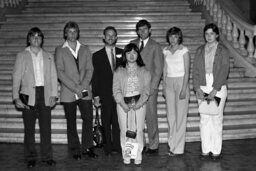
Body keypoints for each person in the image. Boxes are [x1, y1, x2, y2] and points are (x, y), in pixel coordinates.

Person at [12, 27, 57, 168]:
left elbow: (53, 76)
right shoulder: (21, 55)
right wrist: (15, 97)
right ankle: (30, 157)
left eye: (39, 36)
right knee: (29, 128)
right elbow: (16, 76)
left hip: (45, 93)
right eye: (33, 36)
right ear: (29, 39)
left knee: (46, 128)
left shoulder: (49, 56)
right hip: (27, 95)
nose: (36, 39)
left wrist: (54, 94)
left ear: (42, 39)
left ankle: (47, 156)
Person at [55, 21, 97, 160]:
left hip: (84, 91)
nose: (72, 34)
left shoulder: (85, 49)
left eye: (75, 31)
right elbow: (60, 72)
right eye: (69, 31)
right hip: (68, 92)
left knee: (88, 119)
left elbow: (90, 69)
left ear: (78, 33)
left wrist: (83, 86)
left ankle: (87, 147)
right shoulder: (60, 50)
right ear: (65, 33)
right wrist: (75, 88)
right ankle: (74, 149)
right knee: (71, 121)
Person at [192, 23, 229, 160]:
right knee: (204, 119)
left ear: (217, 35)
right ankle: (206, 149)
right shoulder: (199, 50)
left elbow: (224, 70)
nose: (209, 36)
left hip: (217, 85)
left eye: (211, 33)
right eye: (206, 34)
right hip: (203, 84)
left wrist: (215, 89)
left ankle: (216, 150)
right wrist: (197, 88)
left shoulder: (223, 50)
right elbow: (195, 70)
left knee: (216, 118)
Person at [113, 43, 151, 165]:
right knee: (125, 130)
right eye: (129, 53)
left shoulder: (144, 70)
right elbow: (116, 89)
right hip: (123, 104)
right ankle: (127, 155)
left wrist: (139, 104)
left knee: (138, 130)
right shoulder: (119, 70)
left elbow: (146, 90)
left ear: (138, 55)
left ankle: (138, 155)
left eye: (134, 53)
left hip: (139, 104)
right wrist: (123, 104)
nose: (131, 55)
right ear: (125, 55)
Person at [130, 19, 164, 153]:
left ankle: (153, 144)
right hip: (134, 87)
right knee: (136, 117)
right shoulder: (132, 44)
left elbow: (158, 69)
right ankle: (140, 143)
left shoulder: (155, 45)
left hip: (149, 87)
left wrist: (153, 87)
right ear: (137, 31)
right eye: (139, 30)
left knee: (150, 116)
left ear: (149, 30)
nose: (142, 32)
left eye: (145, 29)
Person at [92, 26, 122, 156]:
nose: (110, 37)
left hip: (120, 94)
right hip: (104, 94)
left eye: (113, 35)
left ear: (116, 37)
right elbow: (95, 77)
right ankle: (107, 147)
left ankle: (117, 146)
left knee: (118, 122)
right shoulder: (97, 55)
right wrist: (96, 96)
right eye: (108, 35)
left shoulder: (123, 52)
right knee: (105, 121)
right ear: (104, 37)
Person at [162, 27, 190, 156]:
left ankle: (178, 148)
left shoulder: (184, 51)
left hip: (180, 83)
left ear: (179, 37)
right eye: (171, 36)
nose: (173, 39)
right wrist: (164, 85)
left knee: (180, 117)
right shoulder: (166, 50)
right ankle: (172, 145)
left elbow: (187, 71)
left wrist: (184, 88)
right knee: (171, 116)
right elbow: (164, 68)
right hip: (169, 82)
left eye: (175, 36)